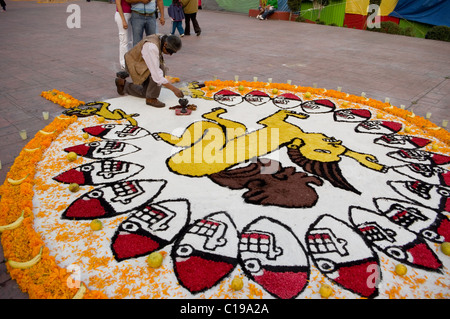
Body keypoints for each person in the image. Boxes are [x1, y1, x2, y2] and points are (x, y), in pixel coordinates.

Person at [115, 34, 184, 108]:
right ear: (165, 44)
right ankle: (151, 99)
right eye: (170, 51)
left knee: (146, 92)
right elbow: (157, 75)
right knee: (160, 69)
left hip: (142, 62)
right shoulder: (152, 47)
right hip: (134, 64)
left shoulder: (162, 39)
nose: (170, 54)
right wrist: (174, 89)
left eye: (173, 53)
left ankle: (123, 84)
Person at [115, 0, 133, 70]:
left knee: (130, 40)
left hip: (130, 14)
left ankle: (129, 61)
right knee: (123, 40)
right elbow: (118, 4)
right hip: (122, 15)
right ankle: (123, 63)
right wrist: (123, 20)